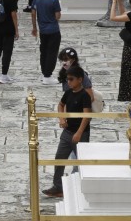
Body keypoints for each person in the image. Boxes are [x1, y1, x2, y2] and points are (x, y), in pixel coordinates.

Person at [42, 65, 93, 198]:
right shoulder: (68, 93)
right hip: (67, 132)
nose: (68, 82)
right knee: (59, 158)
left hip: (80, 134)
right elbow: (60, 104)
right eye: (67, 80)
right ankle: (58, 186)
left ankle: (81, 187)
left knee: (80, 162)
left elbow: (87, 116)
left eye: (71, 79)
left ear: (80, 79)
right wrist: (61, 118)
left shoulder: (84, 96)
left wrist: (79, 133)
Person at [31, 0, 62, 85]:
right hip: (53, 30)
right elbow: (57, 16)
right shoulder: (54, 0)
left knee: (43, 52)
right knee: (52, 53)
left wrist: (34, 27)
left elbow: (33, 12)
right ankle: (48, 75)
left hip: (42, 30)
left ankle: (44, 72)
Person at [109, 0, 131, 102]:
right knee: (127, 70)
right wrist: (119, 0)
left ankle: (129, 94)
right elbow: (123, 13)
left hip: (130, 47)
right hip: (130, 44)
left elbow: (113, 17)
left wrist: (114, 1)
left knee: (128, 70)